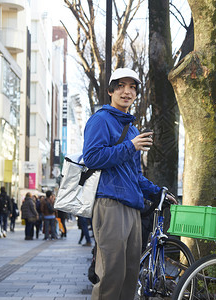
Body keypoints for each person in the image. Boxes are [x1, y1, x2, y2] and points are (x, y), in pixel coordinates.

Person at [83, 68, 175, 299]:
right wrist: (130, 146)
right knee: (111, 275)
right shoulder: (101, 119)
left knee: (130, 274)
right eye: (121, 86)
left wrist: (158, 192)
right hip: (109, 204)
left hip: (133, 208)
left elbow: (134, 175)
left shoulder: (132, 128)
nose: (127, 91)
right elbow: (92, 157)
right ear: (110, 91)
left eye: (132, 87)